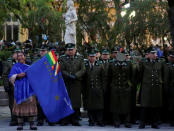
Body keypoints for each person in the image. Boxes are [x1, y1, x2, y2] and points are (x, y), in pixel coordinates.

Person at [8, 51, 37, 130]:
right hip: (19, 89)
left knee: (31, 106)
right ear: (17, 58)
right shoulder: (15, 66)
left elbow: (35, 77)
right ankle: (20, 124)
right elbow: (10, 77)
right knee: (19, 106)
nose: (20, 57)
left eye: (21, 55)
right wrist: (18, 75)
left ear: (25, 57)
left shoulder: (29, 66)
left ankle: (32, 124)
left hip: (29, 89)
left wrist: (29, 74)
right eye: (18, 56)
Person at [59, 43, 85, 126]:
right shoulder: (62, 58)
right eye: (68, 50)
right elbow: (61, 70)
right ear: (66, 51)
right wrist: (69, 75)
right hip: (66, 83)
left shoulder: (80, 58)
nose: (70, 51)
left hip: (76, 82)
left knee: (76, 102)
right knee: (66, 101)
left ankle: (75, 119)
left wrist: (76, 75)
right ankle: (65, 120)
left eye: (71, 50)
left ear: (75, 50)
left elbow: (83, 69)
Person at [138, 48, 164, 129]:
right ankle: (142, 123)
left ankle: (154, 123)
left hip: (156, 88)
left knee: (155, 106)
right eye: (153, 53)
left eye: (155, 53)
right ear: (149, 55)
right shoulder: (144, 63)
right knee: (144, 107)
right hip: (146, 88)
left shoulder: (159, 63)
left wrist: (160, 82)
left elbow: (162, 74)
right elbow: (140, 74)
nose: (155, 55)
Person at [109, 52, 132, 128]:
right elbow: (109, 76)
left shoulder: (128, 64)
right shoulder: (112, 64)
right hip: (115, 87)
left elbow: (131, 75)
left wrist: (129, 85)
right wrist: (111, 85)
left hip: (125, 87)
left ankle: (127, 122)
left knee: (126, 106)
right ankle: (116, 122)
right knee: (115, 105)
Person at [83, 49, 105, 127]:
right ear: (88, 57)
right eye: (90, 56)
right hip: (88, 89)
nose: (92, 58)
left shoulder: (100, 65)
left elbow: (103, 78)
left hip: (98, 88)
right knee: (90, 106)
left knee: (99, 106)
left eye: (93, 57)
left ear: (96, 57)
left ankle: (100, 121)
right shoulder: (85, 65)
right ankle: (91, 121)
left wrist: (102, 88)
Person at [2, 50, 18, 126]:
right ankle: (13, 119)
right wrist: (6, 86)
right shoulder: (8, 63)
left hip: (20, 86)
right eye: (16, 54)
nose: (17, 55)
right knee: (12, 103)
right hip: (11, 86)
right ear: (13, 55)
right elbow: (5, 75)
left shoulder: (21, 62)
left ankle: (20, 118)